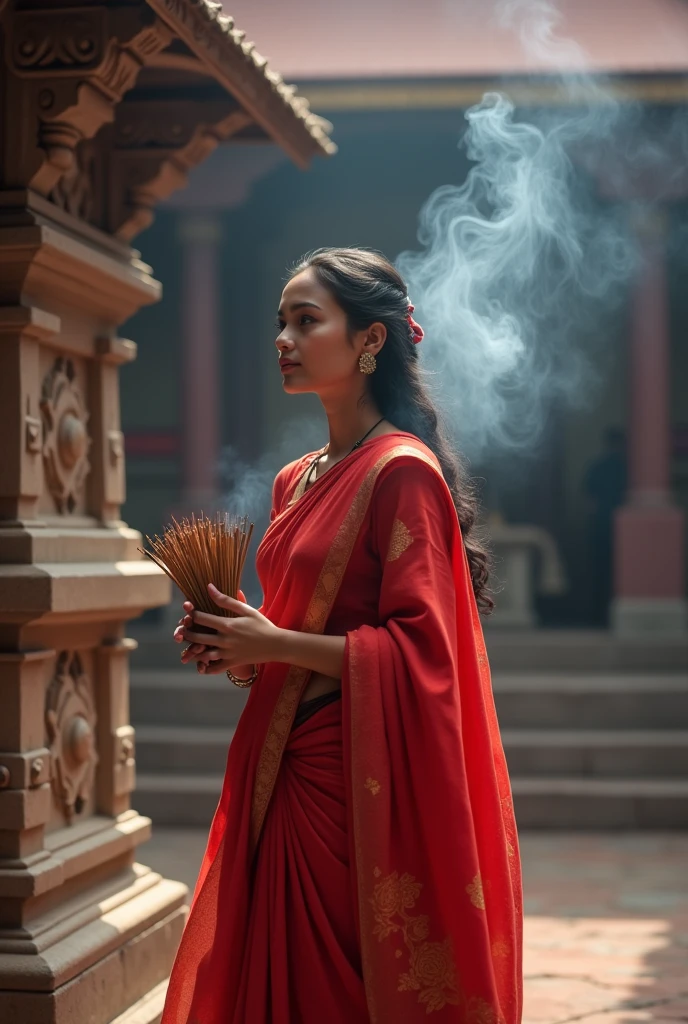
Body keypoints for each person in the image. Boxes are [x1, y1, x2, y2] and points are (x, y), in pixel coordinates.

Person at [161, 248, 522, 1024]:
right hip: (282, 761)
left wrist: (272, 646)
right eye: (279, 322)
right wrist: (237, 647)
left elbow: (425, 655)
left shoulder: (402, 473)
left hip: (354, 779)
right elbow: (292, 630)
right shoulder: (296, 478)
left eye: (305, 320)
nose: (283, 339)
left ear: (370, 341)